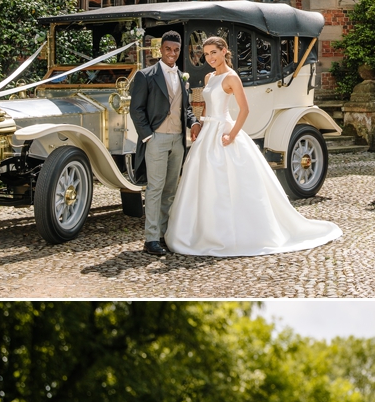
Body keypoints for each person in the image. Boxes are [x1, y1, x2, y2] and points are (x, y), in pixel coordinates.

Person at [166, 36, 341, 257]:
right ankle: (198, 231)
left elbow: (244, 110)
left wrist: (232, 134)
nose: (210, 57)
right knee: (201, 182)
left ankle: (233, 233)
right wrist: (199, 124)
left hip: (224, 131)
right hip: (207, 132)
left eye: (214, 53)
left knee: (228, 181)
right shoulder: (210, 77)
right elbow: (207, 108)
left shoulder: (231, 78)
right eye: (207, 53)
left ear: (224, 51)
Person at [129, 30, 202, 258]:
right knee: (154, 189)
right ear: (161, 49)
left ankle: (163, 235)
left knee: (170, 190)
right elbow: (136, 109)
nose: (172, 53)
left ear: (180, 52)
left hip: (178, 140)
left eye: (176, 50)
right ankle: (150, 239)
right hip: (157, 139)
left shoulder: (182, 76)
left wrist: (193, 123)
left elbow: (186, 108)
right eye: (168, 49)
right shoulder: (146, 75)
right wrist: (149, 136)